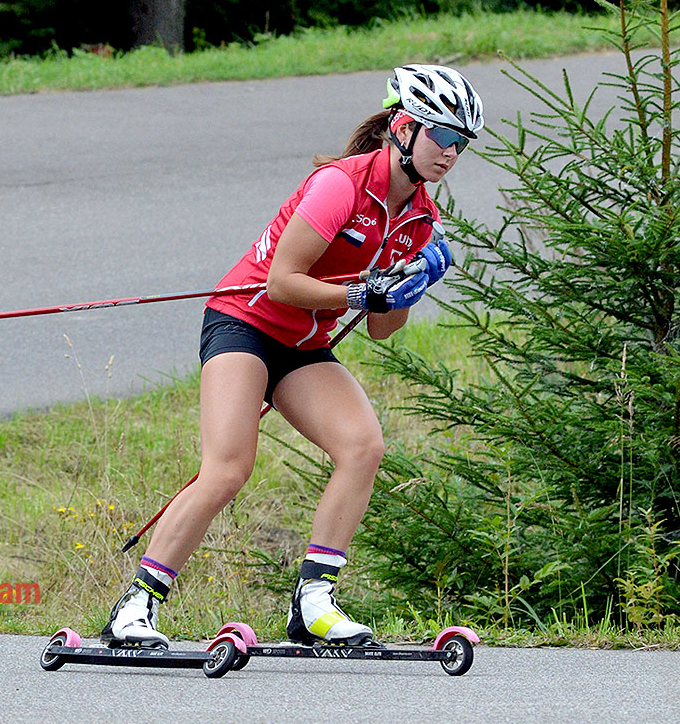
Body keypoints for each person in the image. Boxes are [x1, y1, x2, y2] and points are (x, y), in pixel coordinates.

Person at [102, 64, 485, 648]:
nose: (452, 153)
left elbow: (382, 328)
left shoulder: (421, 218)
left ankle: (314, 604)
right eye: (442, 135)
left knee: (363, 445)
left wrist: (411, 285)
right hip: (245, 324)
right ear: (402, 128)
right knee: (228, 469)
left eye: (462, 143)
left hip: (304, 344)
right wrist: (364, 290)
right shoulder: (340, 185)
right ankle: (135, 607)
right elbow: (283, 282)